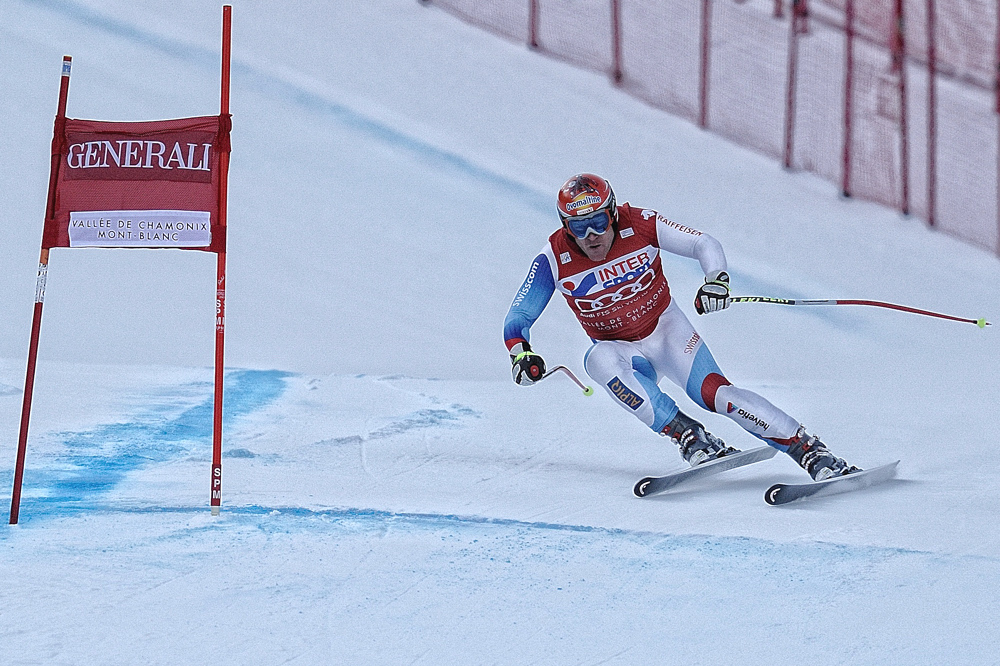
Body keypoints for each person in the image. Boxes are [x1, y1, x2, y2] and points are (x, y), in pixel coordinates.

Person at [503, 173, 858, 481]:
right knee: (598, 359)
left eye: (599, 221)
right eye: (579, 227)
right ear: (566, 227)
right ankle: (689, 437)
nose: (592, 235)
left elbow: (704, 243)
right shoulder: (554, 257)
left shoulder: (638, 223)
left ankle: (811, 451)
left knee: (716, 395)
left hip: (666, 331)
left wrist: (716, 280)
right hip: (625, 354)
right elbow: (518, 317)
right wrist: (521, 354)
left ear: (612, 213)